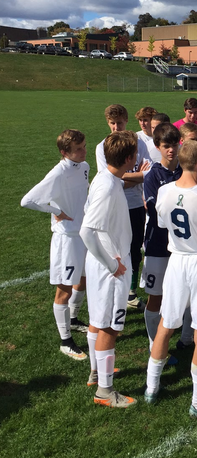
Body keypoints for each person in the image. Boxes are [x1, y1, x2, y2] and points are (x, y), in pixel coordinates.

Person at [144, 141, 197, 415]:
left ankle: (151, 388)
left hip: (176, 261)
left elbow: (164, 224)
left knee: (166, 323)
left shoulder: (164, 191)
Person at [80, 130, 138, 408]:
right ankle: (105, 391)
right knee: (108, 328)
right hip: (110, 265)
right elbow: (87, 231)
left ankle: (96, 372)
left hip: (102, 260)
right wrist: (113, 264)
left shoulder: (107, 179)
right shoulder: (107, 186)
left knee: (97, 320)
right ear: (130, 158)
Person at [21, 129, 89, 360]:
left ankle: (74, 319)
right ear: (64, 152)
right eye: (78, 150)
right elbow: (27, 201)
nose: (83, 152)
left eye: (84, 147)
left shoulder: (85, 167)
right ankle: (65, 341)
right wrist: (55, 210)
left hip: (82, 235)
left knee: (83, 280)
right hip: (66, 239)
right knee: (64, 289)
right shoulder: (57, 173)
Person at [96, 104, 151, 311]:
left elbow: (150, 170)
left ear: (127, 121)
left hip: (136, 205)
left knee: (135, 251)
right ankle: (112, 293)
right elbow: (111, 179)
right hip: (114, 208)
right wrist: (138, 176)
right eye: (112, 123)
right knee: (115, 252)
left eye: (120, 122)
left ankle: (130, 293)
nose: (116, 127)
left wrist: (127, 177)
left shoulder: (138, 143)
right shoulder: (102, 146)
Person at [142, 124, 182, 350]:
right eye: (166, 146)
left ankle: (183, 340)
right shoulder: (153, 176)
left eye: (174, 145)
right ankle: (153, 345)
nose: (171, 150)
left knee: (180, 298)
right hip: (157, 244)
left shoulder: (186, 172)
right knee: (156, 297)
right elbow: (153, 208)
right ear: (157, 147)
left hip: (181, 246)